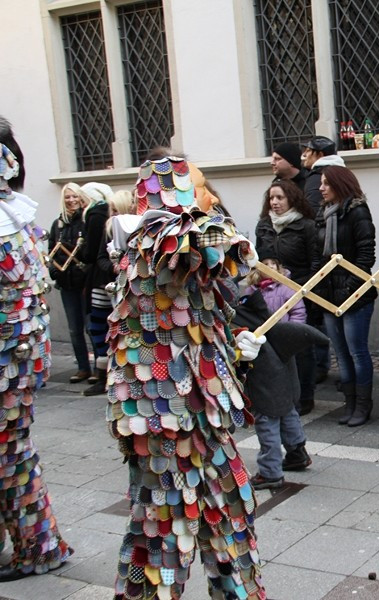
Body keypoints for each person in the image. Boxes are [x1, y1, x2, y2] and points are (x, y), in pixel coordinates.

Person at [107, 155, 266, 598]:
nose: (211, 197)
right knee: (163, 528)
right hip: (164, 417)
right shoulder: (158, 242)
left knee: (229, 513)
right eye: (200, 188)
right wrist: (229, 234)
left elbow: (183, 328)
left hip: (201, 410)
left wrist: (232, 345)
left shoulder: (178, 254)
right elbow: (205, 241)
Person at [0, 137, 72, 582]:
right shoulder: (16, 219)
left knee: (11, 458)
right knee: (12, 455)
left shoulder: (10, 223)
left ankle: (40, 547)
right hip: (19, 358)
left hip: (11, 360)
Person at [240, 251, 318, 488]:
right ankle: (297, 453)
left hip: (265, 370)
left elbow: (298, 315)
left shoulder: (245, 306)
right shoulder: (255, 300)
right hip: (283, 363)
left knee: (267, 418)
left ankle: (270, 472)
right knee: (286, 411)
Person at [315, 165, 377, 426]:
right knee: (340, 353)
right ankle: (350, 404)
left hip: (356, 295)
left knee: (357, 352)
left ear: (341, 184)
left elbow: (366, 256)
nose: (321, 188)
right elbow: (319, 256)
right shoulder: (324, 214)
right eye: (321, 183)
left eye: (327, 183)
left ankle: (363, 406)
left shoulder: (358, 212)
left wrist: (348, 289)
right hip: (329, 294)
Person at [255, 179, 318, 415]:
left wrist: (302, 288)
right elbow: (258, 258)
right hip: (269, 293)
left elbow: (315, 260)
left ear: (291, 198)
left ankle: (305, 396)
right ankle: (281, 395)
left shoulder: (306, 226)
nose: (275, 202)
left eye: (280, 197)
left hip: (299, 290)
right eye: (271, 198)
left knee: (301, 347)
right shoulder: (264, 225)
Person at [301, 136, 343, 382]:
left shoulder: (318, 177)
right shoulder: (320, 175)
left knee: (331, 328)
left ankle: (323, 367)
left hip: (330, 270)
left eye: (308, 151)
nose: (304, 155)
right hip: (324, 267)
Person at [48, 182, 91, 383]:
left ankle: (101, 369)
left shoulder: (86, 220)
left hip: (84, 283)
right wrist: (55, 271)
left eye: (75, 196)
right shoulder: (58, 225)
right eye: (67, 197)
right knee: (74, 329)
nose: (71, 200)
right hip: (66, 284)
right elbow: (51, 252)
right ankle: (83, 367)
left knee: (91, 327)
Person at [78, 181, 114, 396]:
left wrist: (81, 250)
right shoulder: (100, 215)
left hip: (101, 280)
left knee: (99, 326)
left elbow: (93, 253)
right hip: (102, 278)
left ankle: (104, 376)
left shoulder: (95, 215)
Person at [302, 135, 343, 215]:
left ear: (320, 155)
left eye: (308, 151)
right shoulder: (342, 172)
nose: (304, 155)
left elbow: (313, 210)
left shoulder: (316, 177)